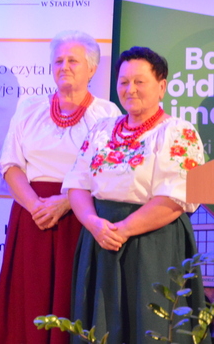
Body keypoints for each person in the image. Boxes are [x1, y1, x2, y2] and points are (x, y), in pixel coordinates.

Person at [63, 46, 210, 344]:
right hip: (100, 239)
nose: (130, 89)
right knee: (100, 327)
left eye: (139, 82)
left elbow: (178, 199)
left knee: (153, 326)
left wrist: (124, 229)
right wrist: (93, 223)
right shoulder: (101, 128)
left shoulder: (181, 131)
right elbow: (77, 184)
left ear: (162, 86)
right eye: (124, 82)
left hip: (155, 244)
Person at [0, 31, 120, 344]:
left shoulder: (107, 114)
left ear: (92, 69)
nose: (64, 67)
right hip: (31, 217)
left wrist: (65, 202)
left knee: (71, 302)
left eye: (73, 60)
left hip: (79, 219)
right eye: (58, 60)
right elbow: (10, 165)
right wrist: (35, 205)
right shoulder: (29, 108)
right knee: (28, 303)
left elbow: (108, 173)